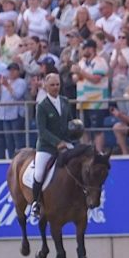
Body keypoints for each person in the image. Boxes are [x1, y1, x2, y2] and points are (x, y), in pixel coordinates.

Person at [30, 73, 75, 217]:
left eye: (57, 85)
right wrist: (57, 143)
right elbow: (42, 131)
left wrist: (74, 133)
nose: (55, 88)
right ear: (45, 86)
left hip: (65, 143)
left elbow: (70, 121)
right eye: (52, 85)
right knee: (38, 174)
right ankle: (36, 203)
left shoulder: (65, 101)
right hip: (47, 146)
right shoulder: (42, 106)